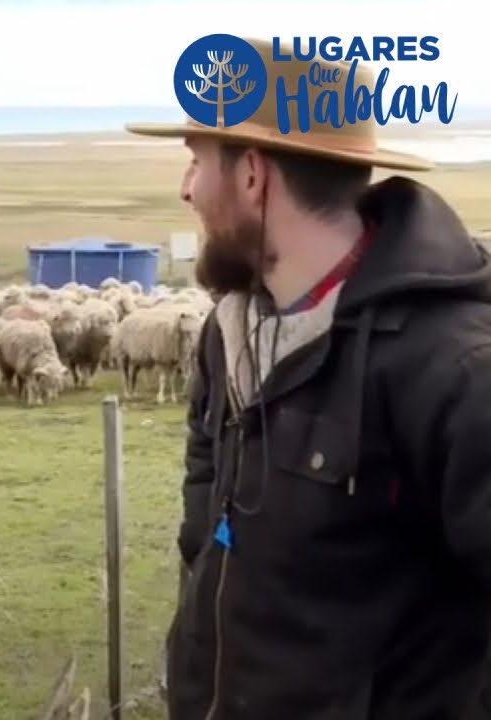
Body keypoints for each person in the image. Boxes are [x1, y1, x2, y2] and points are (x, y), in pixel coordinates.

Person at [126, 38, 491, 719]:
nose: (185, 189)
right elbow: (206, 536)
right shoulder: (226, 337)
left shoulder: (452, 368)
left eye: (196, 163)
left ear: (253, 176)